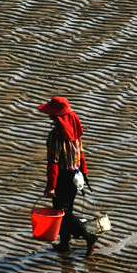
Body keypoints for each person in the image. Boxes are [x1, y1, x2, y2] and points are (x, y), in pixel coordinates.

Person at [37, 96, 98, 257]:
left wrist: (51, 186)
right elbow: (81, 155)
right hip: (76, 175)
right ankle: (65, 244)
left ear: (57, 116)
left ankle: (88, 235)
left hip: (63, 177)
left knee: (61, 212)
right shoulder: (75, 131)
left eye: (51, 114)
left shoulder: (56, 135)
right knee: (67, 209)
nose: (49, 116)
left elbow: (53, 162)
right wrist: (84, 174)